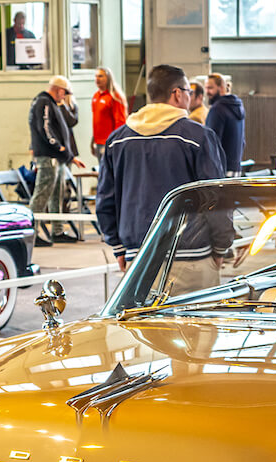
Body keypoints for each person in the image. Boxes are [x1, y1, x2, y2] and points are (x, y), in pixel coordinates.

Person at [96, 64, 231, 292]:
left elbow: (105, 199)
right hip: (191, 257)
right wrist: (221, 247)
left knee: (142, 328)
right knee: (196, 327)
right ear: (177, 94)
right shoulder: (198, 138)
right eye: (188, 92)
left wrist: (119, 247)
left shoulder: (117, 141)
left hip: (138, 259)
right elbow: (216, 197)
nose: (189, 97)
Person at [29, 76, 84, 246]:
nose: (65, 96)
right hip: (49, 156)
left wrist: (68, 155)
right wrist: (59, 147)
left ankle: (57, 230)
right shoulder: (44, 102)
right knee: (42, 195)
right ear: (59, 90)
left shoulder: (50, 103)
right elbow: (45, 128)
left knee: (56, 194)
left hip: (56, 157)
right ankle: (31, 233)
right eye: (65, 92)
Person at [204, 72, 245, 176]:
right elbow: (243, 142)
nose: (207, 92)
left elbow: (211, 143)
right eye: (206, 88)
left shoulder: (218, 109)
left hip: (221, 170)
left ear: (221, 88)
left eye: (210, 88)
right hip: (236, 168)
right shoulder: (237, 106)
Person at [91, 67, 127, 160]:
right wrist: (93, 140)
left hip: (109, 142)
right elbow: (97, 121)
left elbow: (120, 122)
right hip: (98, 141)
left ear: (108, 78)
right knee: (102, 169)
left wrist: (116, 142)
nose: (97, 79)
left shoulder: (115, 97)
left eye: (100, 76)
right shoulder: (96, 96)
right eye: (96, 76)